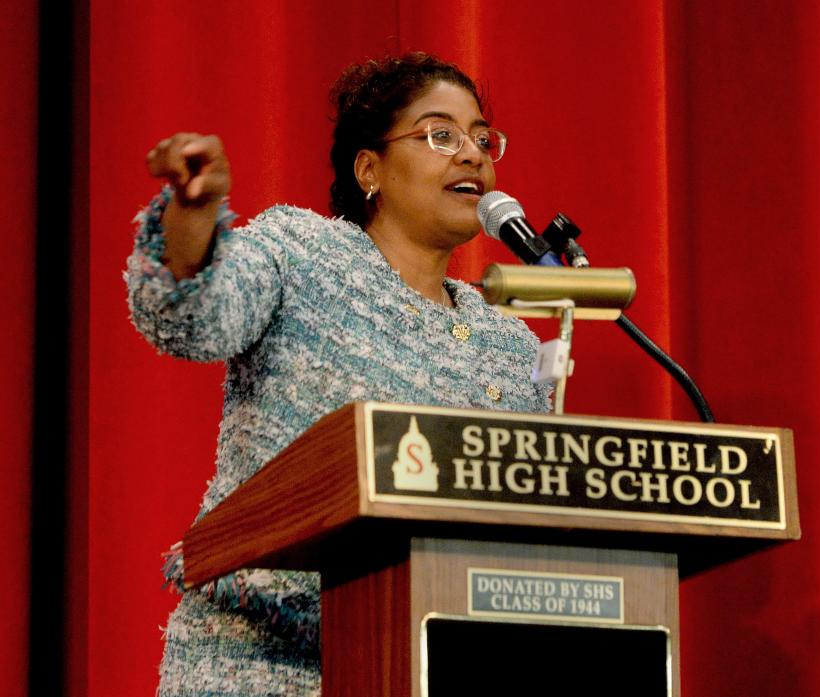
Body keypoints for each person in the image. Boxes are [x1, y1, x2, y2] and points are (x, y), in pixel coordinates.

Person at [127, 53, 552, 696]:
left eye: (481, 137)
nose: (471, 154)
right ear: (368, 168)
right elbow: (192, 315)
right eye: (440, 134)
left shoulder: (508, 340)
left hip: (431, 669)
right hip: (263, 666)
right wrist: (194, 211)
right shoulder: (303, 254)